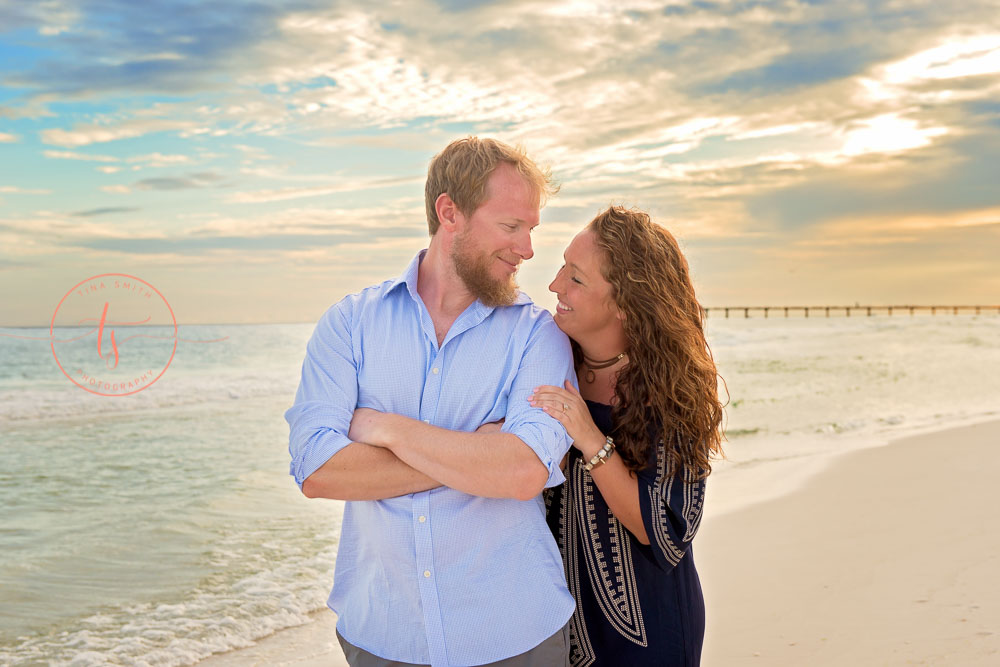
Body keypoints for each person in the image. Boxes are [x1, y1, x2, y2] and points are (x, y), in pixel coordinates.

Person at [284, 136, 576, 667]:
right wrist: (474, 455)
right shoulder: (351, 324)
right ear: (450, 213)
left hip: (515, 637)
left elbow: (522, 474)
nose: (528, 249)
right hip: (383, 635)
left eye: (531, 229)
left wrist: (390, 430)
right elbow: (317, 471)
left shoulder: (538, 336)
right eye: (512, 226)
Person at [529, 205, 725, 666]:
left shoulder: (675, 386)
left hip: (648, 628)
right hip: (561, 622)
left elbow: (665, 531)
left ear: (623, 303)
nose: (555, 285)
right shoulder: (548, 357)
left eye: (576, 278)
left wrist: (589, 437)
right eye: (562, 267)